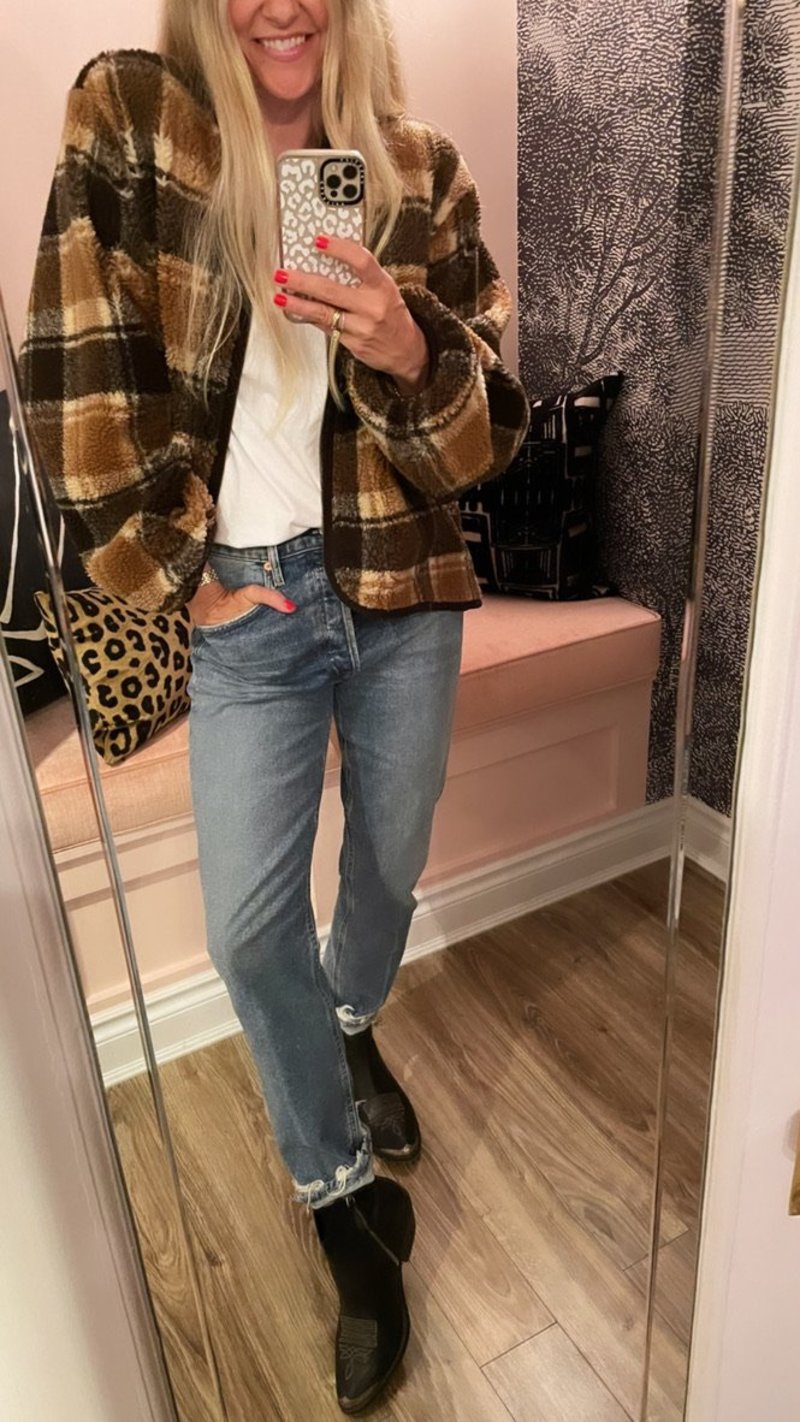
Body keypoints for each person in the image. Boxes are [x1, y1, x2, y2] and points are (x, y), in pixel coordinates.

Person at [20, 0, 529, 1411]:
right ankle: (341, 1200)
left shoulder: (418, 169)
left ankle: (351, 1013)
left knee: (393, 857)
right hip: (250, 600)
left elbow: (484, 437)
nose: (279, 6)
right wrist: (175, 573)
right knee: (251, 928)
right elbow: (69, 368)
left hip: (406, 580)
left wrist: (410, 351)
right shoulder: (136, 122)